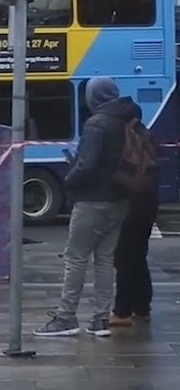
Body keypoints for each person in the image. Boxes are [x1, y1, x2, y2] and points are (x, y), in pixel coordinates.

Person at [35, 76, 137, 337]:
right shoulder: (129, 120)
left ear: (94, 97)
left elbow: (87, 165)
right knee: (104, 259)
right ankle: (101, 319)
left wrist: (69, 181)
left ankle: (66, 317)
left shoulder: (97, 124)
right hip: (120, 198)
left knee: (75, 257)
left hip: (93, 200)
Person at [110, 121, 158, 328]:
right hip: (148, 199)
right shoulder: (143, 133)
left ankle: (122, 311)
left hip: (130, 200)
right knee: (138, 255)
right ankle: (142, 307)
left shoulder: (121, 133)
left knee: (124, 256)